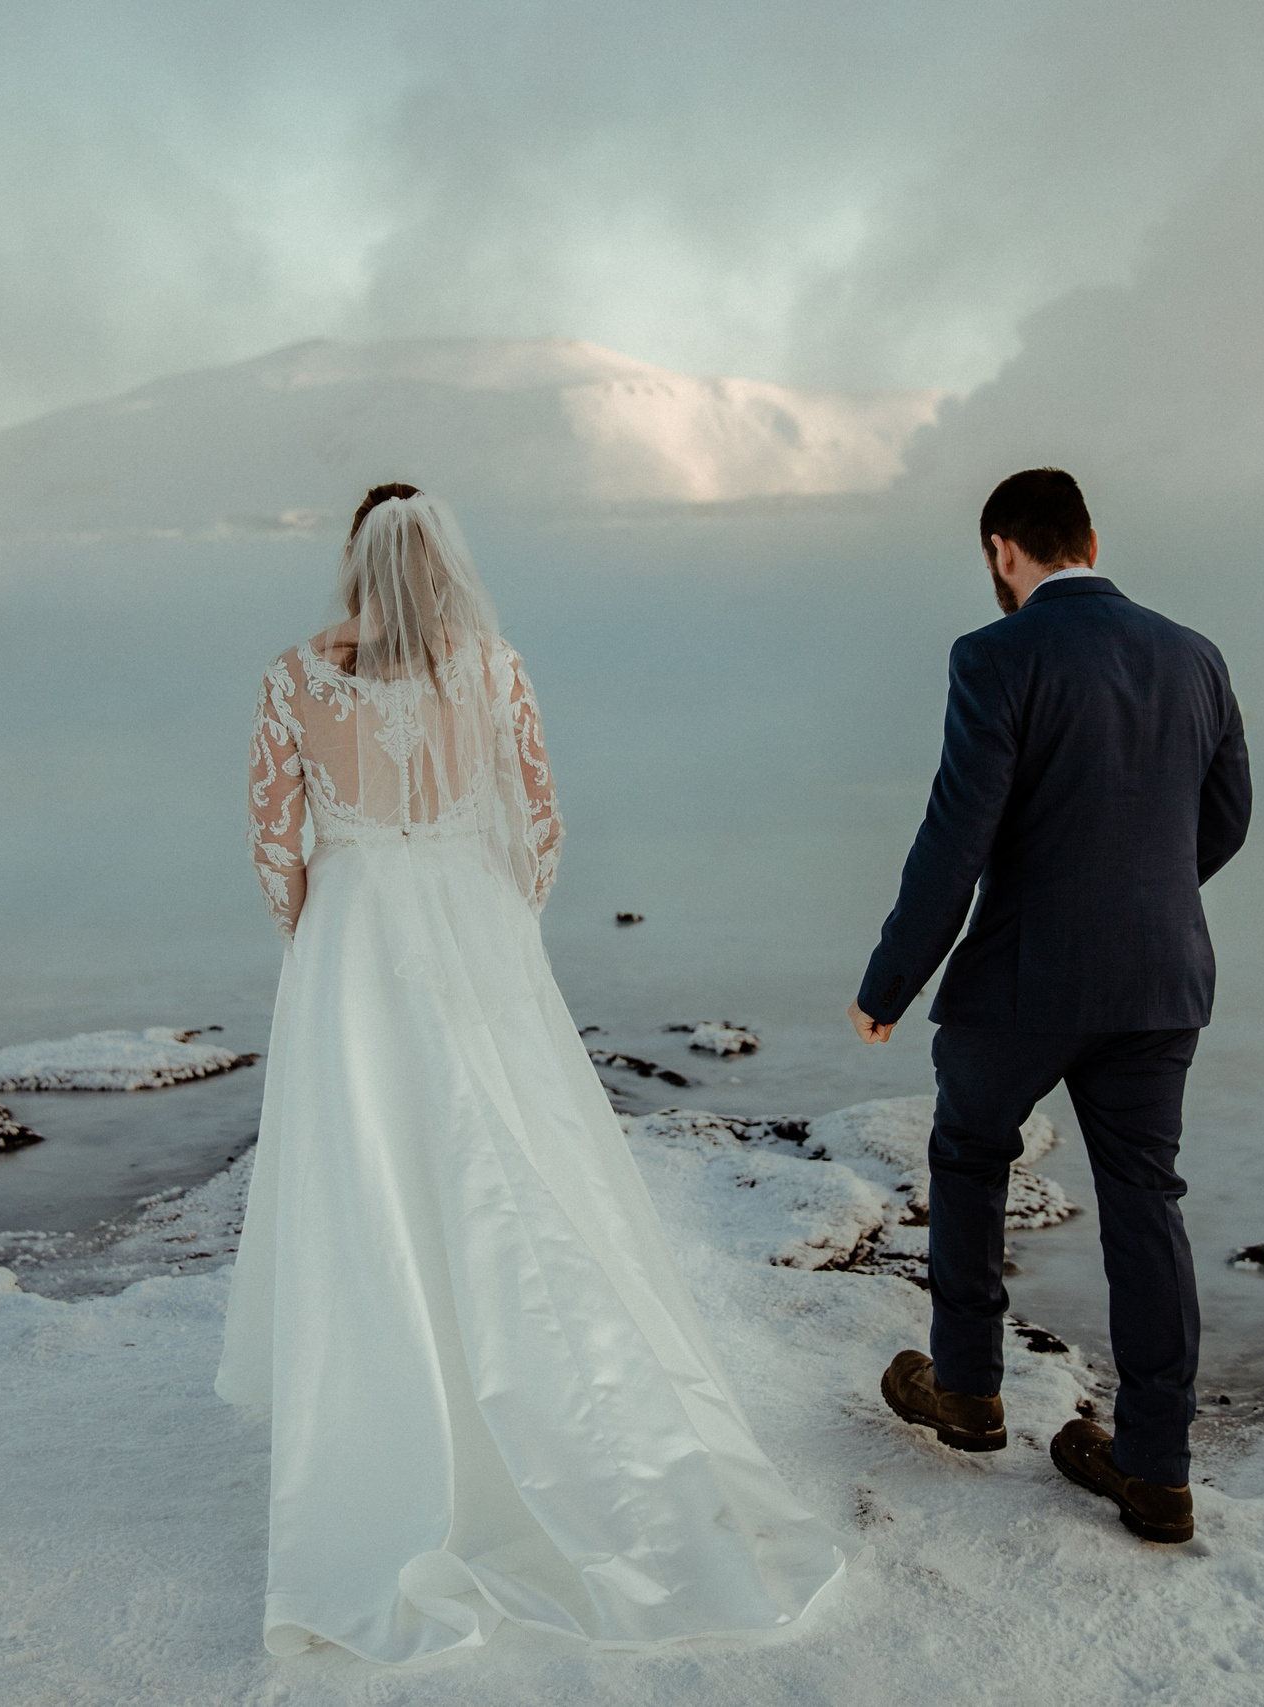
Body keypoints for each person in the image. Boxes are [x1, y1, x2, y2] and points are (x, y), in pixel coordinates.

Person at [219, 484, 857, 1662]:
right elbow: (542, 823)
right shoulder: (493, 666)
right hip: (473, 925)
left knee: (378, 1185)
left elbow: (273, 844)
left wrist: (316, 950)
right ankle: (554, 1431)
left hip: (352, 938)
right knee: (513, 1165)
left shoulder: (292, 676)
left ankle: (396, 1436)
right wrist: (499, 931)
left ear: (354, 557)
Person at [848, 467, 1250, 1545]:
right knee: (1144, 1204)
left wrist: (891, 981)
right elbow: (1226, 818)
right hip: (1162, 980)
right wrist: (1141, 900)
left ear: (1000, 551)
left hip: (1023, 978)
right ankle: (1154, 1468)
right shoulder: (1194, 653)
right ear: (1092, 539)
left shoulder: (993, 655)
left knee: (973, 1154)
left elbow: (956, 837)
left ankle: (971, 1390)